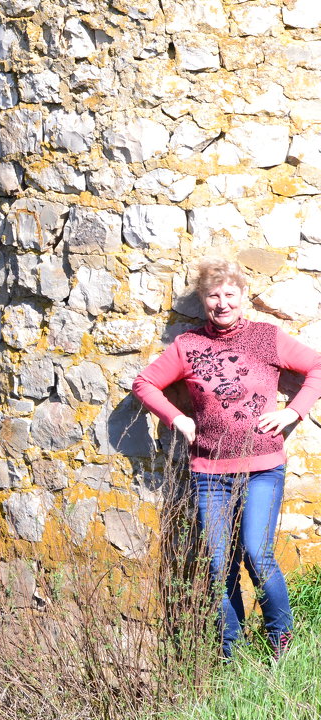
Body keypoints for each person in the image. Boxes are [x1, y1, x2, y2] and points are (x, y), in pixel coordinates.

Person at [132, 257, 321, 659]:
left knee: (257, 552)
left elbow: (317, 366)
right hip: (209, 473)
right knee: (218, 565)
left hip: (263, 468)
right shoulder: (188, 346)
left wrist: (293, 411)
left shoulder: (267, 337)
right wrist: (176, 417)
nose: (222, 303)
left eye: (229, 295)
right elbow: (144, 383)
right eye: (213, 296)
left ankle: (280, 644)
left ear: (243, 298)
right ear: (203, 301)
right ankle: (228, 656)